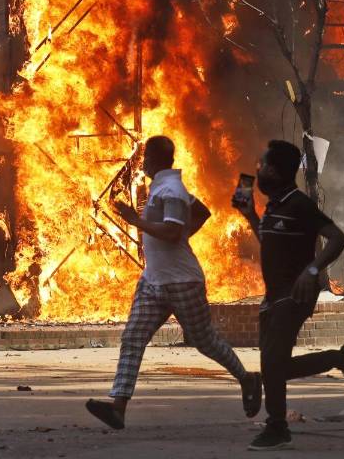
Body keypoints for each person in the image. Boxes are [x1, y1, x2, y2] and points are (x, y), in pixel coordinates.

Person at [86, 135, 262, 430]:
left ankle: (247, 378)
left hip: (182, 282)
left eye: (145, 158)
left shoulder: (172, 190)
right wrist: (183, 235)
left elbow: (169, 232)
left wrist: (135, 220)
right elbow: (202, 213)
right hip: (153, 281)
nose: (142, 163)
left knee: (205, 342)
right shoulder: (164, 187)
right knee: (133, 337)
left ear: (154, 160)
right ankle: (118, 407)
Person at [233, 139, 344, 451]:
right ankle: (342, 358)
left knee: (272, 364)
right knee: (274, 368)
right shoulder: (275, 207)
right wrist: (251, 216)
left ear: (277, 172)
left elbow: (337, 237)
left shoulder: (299, 205)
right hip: (273, 296)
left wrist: (312, 270)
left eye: (263, 165)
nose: (258, 170)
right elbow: (270, 242)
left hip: (295, 295)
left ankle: (277, 426)